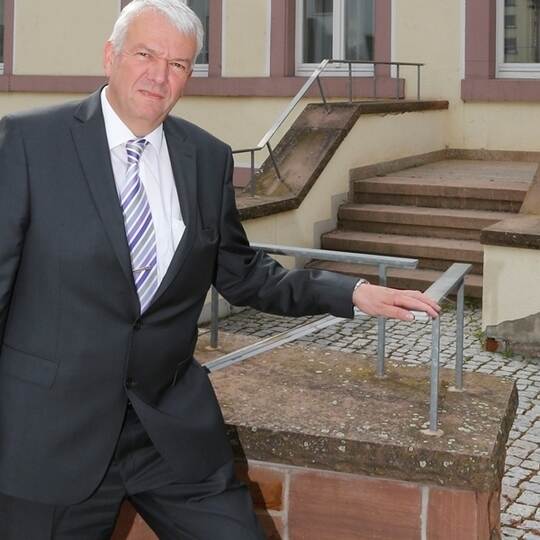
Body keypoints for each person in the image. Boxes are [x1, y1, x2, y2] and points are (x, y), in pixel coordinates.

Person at [0, 1, 439, 538]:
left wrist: (352, 293)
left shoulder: (206, 158)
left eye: (179, 64)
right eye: (145, 55)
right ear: (110, 56)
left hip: (168, 434)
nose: (160, 76)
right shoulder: (29, 143)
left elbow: (243, 273)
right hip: (49, 439)